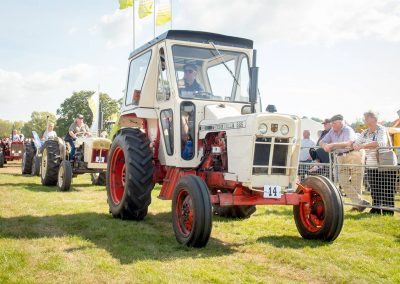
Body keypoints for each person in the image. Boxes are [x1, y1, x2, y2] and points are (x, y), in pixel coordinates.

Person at [319, 114, 369, 211]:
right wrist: (325, 145)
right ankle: (360, 202)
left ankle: (356, 206)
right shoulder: (331, 131)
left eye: (334, 123)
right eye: (332, 123)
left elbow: (348, 143)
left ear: (341, 122)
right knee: (342, 180)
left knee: (356, 181)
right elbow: (322, 141)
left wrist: (332, 145)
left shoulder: (348, 130)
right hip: (341, 157)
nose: (332, 125)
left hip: (354, 155)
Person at [353, 111, 395, 215]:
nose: (365, 120)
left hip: (385, 163)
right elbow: (357, 143)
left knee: (387, 188)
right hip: (372, 164)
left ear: (374, 119)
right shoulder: (365, 132)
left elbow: (381, 143)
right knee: (375, 189)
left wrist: (362, 146)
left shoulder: (381, 129)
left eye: (367, 118)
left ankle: (388, 212)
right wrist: (356, 145)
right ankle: (375, 209)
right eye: (365, 118)